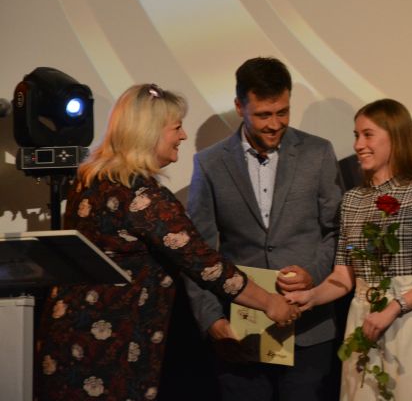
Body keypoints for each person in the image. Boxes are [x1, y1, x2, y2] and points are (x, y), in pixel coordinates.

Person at [34, 83, 299, 401]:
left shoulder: (90, 179)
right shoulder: (143, 196)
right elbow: (206, 265)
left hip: (68, 336)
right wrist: (270, 303)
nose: (183, 136)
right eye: (176, 127)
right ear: (149, 132)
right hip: (111, 350)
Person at [184, 57, 343, 401]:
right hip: (240, 331)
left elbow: (336, 232)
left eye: (283, 112)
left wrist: (313, 274)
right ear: (239, 107)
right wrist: (211, 320)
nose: (275, 124)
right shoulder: (209, 163)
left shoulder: (318, 152)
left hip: (308, 328)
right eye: (263, 115)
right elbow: (198, 253)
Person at [288, 98, 412, 401]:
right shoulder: (352, 200)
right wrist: (311, 297)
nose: (358, 145)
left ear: (395, 137)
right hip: (363, 321)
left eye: (368, 135)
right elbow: (343, 275)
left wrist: (394, 307)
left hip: (410, 320)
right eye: (356, 135)